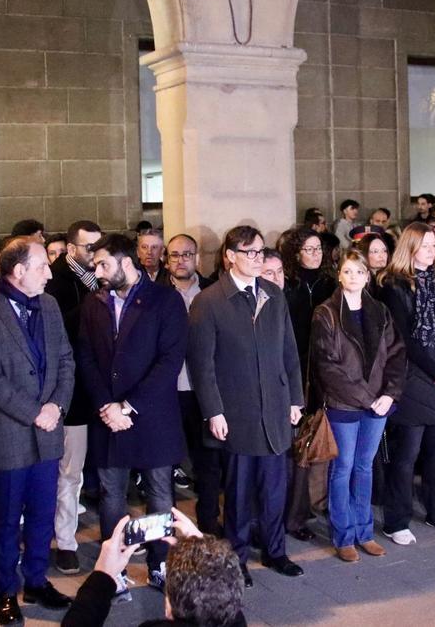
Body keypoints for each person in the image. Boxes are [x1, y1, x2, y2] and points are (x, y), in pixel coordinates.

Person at [0, 237, 76, 623]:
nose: (50, 271)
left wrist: (57, 406)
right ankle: (6, 591)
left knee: (43, 514)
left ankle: (37, 580)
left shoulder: (49, 304)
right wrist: (34, 412)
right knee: (7, 518)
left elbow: (65, 360)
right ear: (18, 271)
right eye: (43, 265)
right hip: (8, 432)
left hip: (48, 431)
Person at [186, 226, 305, 587]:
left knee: (274, 488)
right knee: (238, 492)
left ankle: (275, 550)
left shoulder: (273, 293)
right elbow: (201, 364)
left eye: (259, 252)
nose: (256, 259)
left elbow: (289, 352)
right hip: (236, 411)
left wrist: (296, 398)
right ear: (229, 256)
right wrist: (214, 411)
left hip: (276, 407)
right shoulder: (209, 301)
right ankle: (236, 558)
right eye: (248, 252)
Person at [79, 233, 189, 592]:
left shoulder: (165, 300)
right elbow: (87, 359)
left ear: (127, 263)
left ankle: (159, 563)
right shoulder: (94, 302)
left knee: (159, 494)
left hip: (151, 415)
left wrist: (128, 405)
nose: (97, 271)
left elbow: (169, 361)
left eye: (103, 264)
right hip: (108, 417)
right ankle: (116, 569)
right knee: (112, 494)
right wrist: (106, 406)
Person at [310, 250, 406, 561]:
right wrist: (369, 399)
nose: (353, 277)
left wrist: (389, 394)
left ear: (367, 276)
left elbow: (396, 355)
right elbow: (328, 367)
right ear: (339, 275)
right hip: (345, 405)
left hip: (379, 404)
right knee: (343, 468)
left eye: (359, 272)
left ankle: (365, 532)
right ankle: (344, 536)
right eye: (347, 271)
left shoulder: (379, 310)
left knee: (365, 467)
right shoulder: (325, 313)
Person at [377, 222, 435, 544]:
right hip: (414, 377)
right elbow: (403, 337)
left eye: (433, 245)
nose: (432, 250)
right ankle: (396, 520)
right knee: (407, 453)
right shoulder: (394, 286)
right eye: (425, 245)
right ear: (410, 248)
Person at [61, 511, 245, 627]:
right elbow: (229, 612)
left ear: (168, 607)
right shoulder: (235, 620)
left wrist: (102, 575)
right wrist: (206, 552)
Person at [43, 220, 103, 574]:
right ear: (70, 248)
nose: (94, 254)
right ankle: (64, 541)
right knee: (67, 470)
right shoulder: (55, 280)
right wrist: (96, 301)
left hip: (97, 386)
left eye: (98, 247)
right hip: (68, 390)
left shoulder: (98, 279)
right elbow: (58, 328)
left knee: (92, 470)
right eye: (87, 248)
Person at [280, 226, 337, 542]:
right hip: (295, 372)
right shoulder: (288, 284)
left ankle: (319, 503)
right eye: (309, 249)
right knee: (297, 445)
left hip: (323, 371)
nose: (316, 254)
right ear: (296, 252)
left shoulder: (330, 284)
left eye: (319, 249)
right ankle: (294, 514)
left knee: (319, 440)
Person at [165, 233, 222, 538]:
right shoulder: (157, 294)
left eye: (187, 254)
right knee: (163, 468)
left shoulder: (214, 293)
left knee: (208, 465)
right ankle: (167, 531)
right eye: (175, 255)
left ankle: (209, 525)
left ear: (197, 258)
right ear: (167, 259)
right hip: (168, 394)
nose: (181, 260)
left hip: (204, 394)